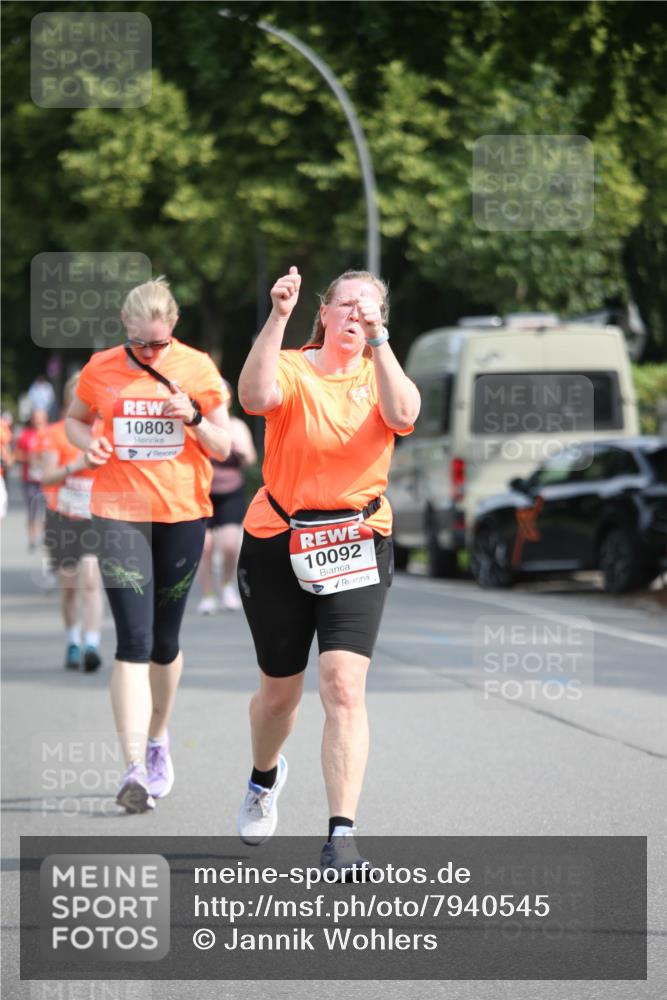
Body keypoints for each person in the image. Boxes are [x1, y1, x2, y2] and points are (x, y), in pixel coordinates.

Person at [235, 266, 420, 876]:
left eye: (369, 308)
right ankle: (264, 777)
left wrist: (380, 341)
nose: (356, 315)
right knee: (279, 695)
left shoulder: (380, 372)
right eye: (346, 304)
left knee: (342, 685)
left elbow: (404, 414)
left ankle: (342, 834)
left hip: (358, 539)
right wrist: (277, 315)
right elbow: (253, 398)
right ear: (323, 312)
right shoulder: (293, 367)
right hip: (279, 538)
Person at [65, 277, 231, 813]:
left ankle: (158, 736)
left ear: (174, 327)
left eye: (158, 343)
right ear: (124, 326)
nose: (149, 352)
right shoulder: (101, 368)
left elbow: (225, 445)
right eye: (139, 343)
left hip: (182, 513)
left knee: (164, 642)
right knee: (133, 641)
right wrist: (89, 444)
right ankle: (134, 767)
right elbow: (74, 421)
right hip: (120, 513)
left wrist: (194, 418)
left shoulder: (198, 368)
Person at [40, 371, 105, 671]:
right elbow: (46, 477)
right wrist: (76, 465)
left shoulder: (105, 432)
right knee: (69, 587)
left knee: (90, 580)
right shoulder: (55, 433)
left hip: (94, 518)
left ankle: (92, 644)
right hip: (62, 517)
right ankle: (72, 641)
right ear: (70, 398)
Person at [197, 380, 257, 614]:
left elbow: (251, 460)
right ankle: (208, 594)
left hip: (231, 492)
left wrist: (240, 450)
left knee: (231, 546)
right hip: (202, 493)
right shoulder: (199, 424)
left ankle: (226, 585)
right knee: (205, 547)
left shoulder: (236, 426)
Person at [15, 409, 48, 550]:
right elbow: (17, 455)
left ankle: (45, 537)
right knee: (32, 510)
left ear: (46, 419)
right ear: (32, 420)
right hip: (30, 480)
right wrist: (30, 458)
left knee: (48, 510)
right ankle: (32, 539)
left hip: (49, 480)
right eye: (35, 418)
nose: (38, 421)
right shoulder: (25, 435)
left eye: (40, 418)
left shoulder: (52, 433)